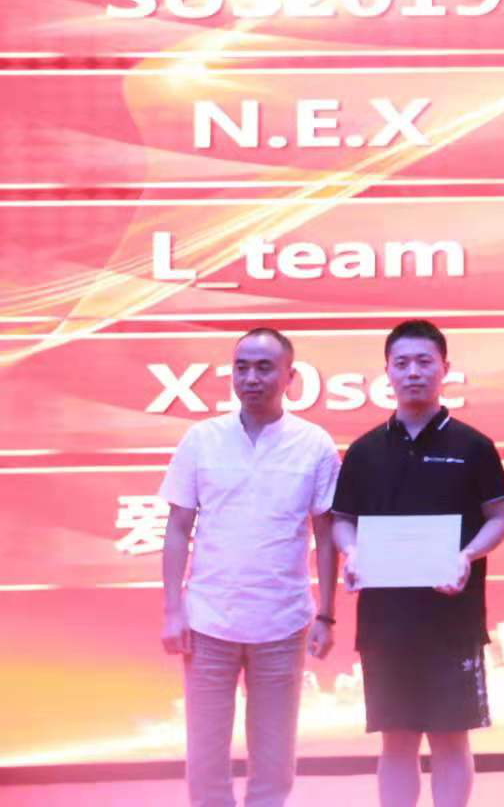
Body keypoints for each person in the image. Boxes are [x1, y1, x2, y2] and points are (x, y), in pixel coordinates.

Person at [330, 320, 504, 807]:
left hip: (453, 618)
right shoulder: (365, 450)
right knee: (396, 739)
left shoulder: (473, 445)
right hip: (385, 622)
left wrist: (467, 555)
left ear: (444, 368)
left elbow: (500, 517)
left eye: (424, 362)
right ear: (387, 372)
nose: (413, 372)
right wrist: (352, 552)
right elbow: (342, 521)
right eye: (402, 363)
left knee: (451, 737)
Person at [158, 327, 340, 807]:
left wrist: (326, 613)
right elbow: (177, 528)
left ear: (290, 376)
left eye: (264, 367)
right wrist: (173, 610)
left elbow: (326, 535)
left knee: (275, 758)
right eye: (242, 367)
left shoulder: (314, 444)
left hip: (283, 622)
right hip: (208, 621)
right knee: (205, 757)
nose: (251, 378)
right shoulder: (201, 439)